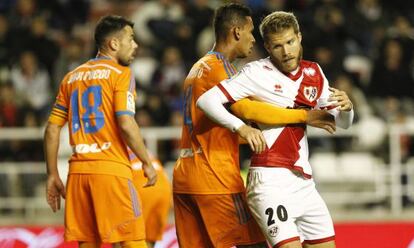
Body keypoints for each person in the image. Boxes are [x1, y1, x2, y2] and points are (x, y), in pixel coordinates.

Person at [173, 4, 336, 248]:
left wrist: (252, 133)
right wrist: (303, 116)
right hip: (214, 175)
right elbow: (246, 110)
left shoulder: (198, 67)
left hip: (184, 173)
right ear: (237, 32)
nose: (253, 40)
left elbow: (212, 125)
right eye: (250, 33)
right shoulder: (221, 70)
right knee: (255, 244)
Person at [44, 15, 157, 248]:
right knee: (133, 240)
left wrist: (52, 174)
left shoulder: (71, 78)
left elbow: (52, 128)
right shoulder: (121, 74)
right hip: (111, 171)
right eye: (131, 39)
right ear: (114, 44)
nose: (135, 45)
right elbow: (126, 123)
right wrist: (146, 161)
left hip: (77, 175)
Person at [129, 151, 172, 248]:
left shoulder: (113, 146)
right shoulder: (144, 149)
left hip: (140, 186)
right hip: (163, 187)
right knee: (149, 239)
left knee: (124, 238)